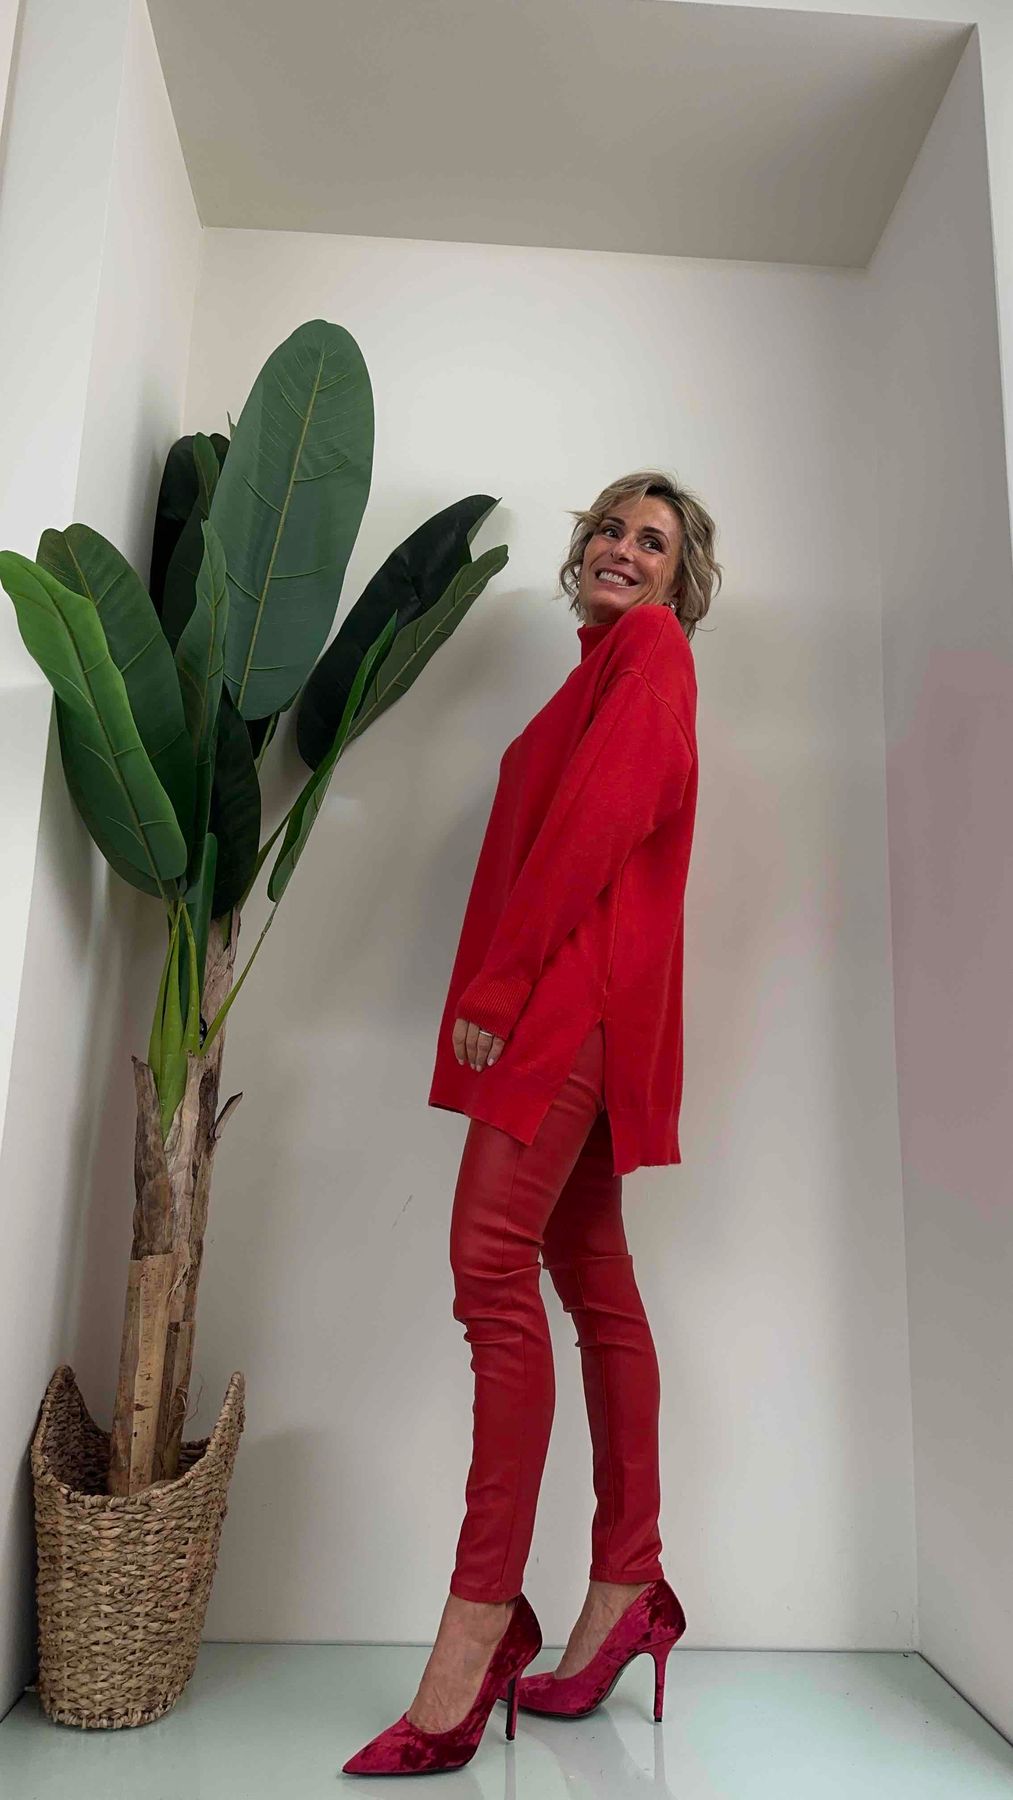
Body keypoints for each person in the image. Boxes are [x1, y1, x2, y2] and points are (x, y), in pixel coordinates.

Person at [343, 470, 721, 1778]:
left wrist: (502, 987)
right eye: (610, 528)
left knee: (487, 1272)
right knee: (588, 1275)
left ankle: (478, 1627)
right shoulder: (602, 669)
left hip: (567, 1006)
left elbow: (600, 828)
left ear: (680, 579)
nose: (622, 548)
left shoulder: (650, 652)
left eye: (652, 541)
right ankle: (627, 1587)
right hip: (588, 1005)